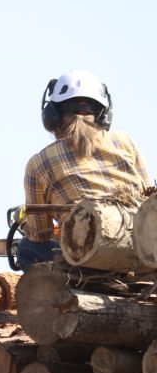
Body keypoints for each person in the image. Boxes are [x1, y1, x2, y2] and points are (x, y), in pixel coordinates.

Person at [19, 70, 151, 268]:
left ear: (53, 114)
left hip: (87, 259)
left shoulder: (38, 163)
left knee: (27, 248)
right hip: (142, 251)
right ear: (103, 114)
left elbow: (39, 234)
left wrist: (27, 224)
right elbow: (148, 198)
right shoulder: (125, 142)